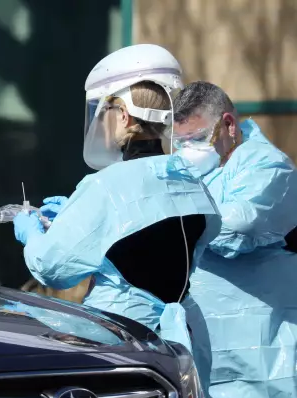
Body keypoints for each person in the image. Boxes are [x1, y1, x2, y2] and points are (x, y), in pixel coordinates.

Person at [12, 44, 221, 352]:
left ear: (123, 115)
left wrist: (32, 235)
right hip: (182, 345)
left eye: (105, 110)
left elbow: (53, 267)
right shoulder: (189, 179)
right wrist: (75, 214)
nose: (101, 121)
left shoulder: (106, 184)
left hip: (121, 340)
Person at [172, 81, 297, 398]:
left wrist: (171, 219)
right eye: (179, 142)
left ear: (228, 124)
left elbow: (239, 228)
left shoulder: (268, 166)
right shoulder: (192, 172)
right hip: (208, 342)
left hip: (262, 345)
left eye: (195, 139)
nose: (187, 151)